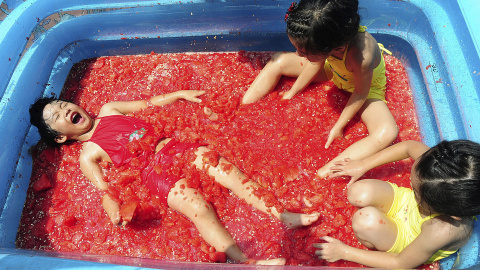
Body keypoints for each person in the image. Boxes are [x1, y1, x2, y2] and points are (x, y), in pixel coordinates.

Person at [29, 90, 320, 265]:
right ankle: (245, 261)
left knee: (228, 172)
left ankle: (282, 214)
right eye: (57, 115)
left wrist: (179, 95)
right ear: (61, 137)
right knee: (198, 207)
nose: (65, 109)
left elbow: (149, 103)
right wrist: (115, 212)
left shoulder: (109, 109)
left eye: (63, 103)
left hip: (172, 146)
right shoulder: (88, 154)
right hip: (152, 173)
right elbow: (106, 189)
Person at [241, 0, 398, 178]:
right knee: (279, 60)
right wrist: (293, 93)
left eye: (304, 52)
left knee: (387, 132)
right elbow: (316, 63)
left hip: (365, 88)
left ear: (335, 47)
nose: (298, 55)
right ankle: (244, 107)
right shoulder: (326, 36)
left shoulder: (361, 56)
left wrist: (338, 127)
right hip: (334, 71)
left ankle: (325, 172)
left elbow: (360, 93)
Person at [313, 140, 480, 268]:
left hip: (408, 237)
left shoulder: (443, 230)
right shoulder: (438, 170)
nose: (408, 181)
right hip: (406, 204)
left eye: (416, 191)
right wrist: (363, 164)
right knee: (358, 192)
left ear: (450, 213)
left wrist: (344, 252)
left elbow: (401, 263)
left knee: (365, 220)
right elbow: (409, 146)